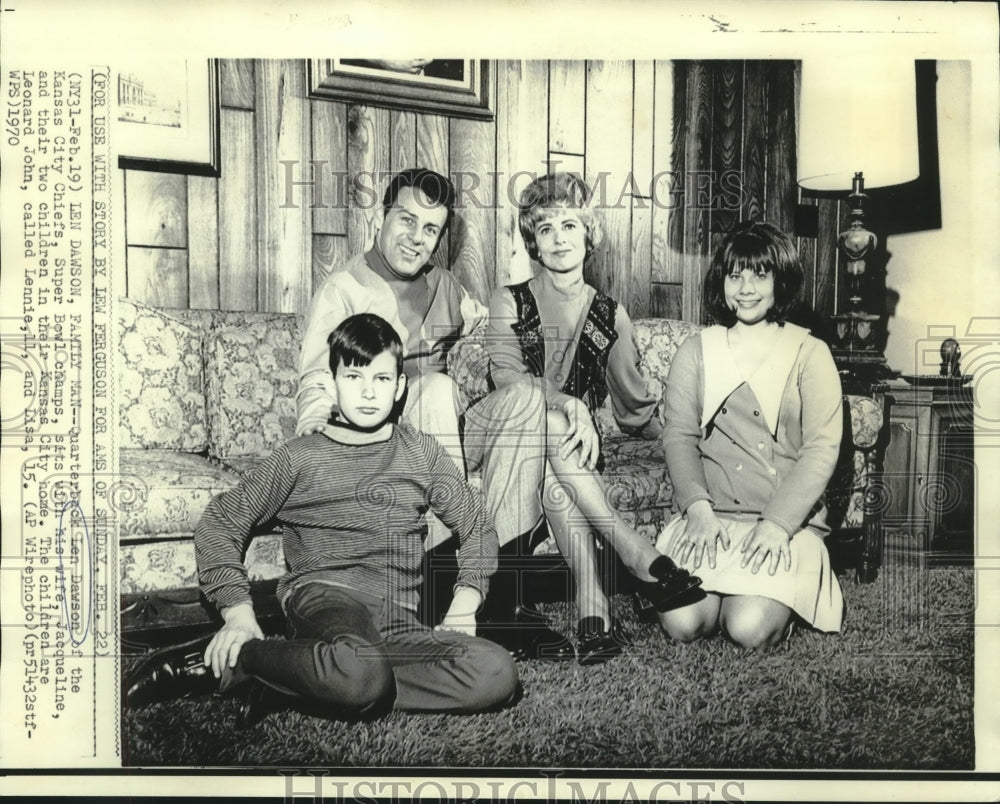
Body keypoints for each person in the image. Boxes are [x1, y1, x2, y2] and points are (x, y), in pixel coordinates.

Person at [126, 314, 519, 721]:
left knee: (496, 671)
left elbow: (476, 522)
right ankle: (238, 659)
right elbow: (220, 520)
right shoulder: (301, 456)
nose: (368, 393)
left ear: (400, 387)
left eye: (382, 379)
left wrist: (464, 603)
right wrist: (238, 613)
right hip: (326, 598)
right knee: (358, 667)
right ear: (331, 384)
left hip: (399, 618)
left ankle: (307, 681)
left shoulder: (419, 452)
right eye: (354, 377)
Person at [296, 167, 571, 660]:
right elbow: (318, 374)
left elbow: (485, 332)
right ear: (382, 217)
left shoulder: (445, 285)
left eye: (430, 230)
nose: (416, 238)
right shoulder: (344, 289)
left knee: (525, 397)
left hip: (447, 432)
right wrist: (316, 423)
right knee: (435, 389)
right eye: (406, 220)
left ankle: (502, 596)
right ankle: (441, 583)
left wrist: (482, 360)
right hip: (384, 441)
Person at [485, 172, 702, 665]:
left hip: (559, 462)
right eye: (545, 229)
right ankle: (631, 550)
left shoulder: (610, 314)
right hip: (501, 435)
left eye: (569, 225)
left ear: (590, 235)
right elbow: (507, 380)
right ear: (533, 244)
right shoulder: (509, 300)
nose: (559, 238)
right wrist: (572, 404)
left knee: (558, 481)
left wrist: (684, 439)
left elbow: (632, 408)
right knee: (554, 424)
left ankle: (593, 606)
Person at [655, 221, 845, 648]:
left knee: (747, 627)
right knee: (685, 624)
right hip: (710, 519)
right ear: (721, 281)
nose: (745, 287)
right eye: (734, 274)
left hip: (785, 525)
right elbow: (679, 437)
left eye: (760, 274)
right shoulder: (696, 350)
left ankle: (765, 596)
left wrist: (778, 525)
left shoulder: (810, 352)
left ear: (781, 280)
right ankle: (724, 588)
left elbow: (821, 449)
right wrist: (698, 512)